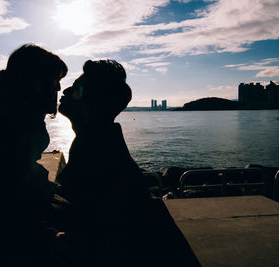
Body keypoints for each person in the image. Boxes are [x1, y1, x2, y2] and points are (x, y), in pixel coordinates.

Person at [57, 60, 201, 266]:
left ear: (93, 105)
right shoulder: (99, 143)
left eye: (77, 87)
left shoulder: (97, 153)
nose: (66, 89)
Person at [0, 44, 68, 266]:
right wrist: (46, 233)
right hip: (8, 238)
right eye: (55, 79)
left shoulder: (8, 108)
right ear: (37, 82)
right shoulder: (10, 117)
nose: (58, 87)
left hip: (0, 230)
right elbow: (6, 188)